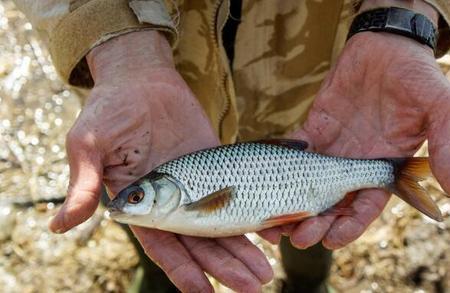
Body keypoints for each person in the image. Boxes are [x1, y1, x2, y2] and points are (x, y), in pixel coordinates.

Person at [11, 0, 450, 292]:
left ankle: (309, 282)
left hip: (329, 80)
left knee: (319, 230)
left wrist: (402, 13)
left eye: (141, 195)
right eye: (139, 195)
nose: (130, 200)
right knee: (124, 167)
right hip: (149, 94)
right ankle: (160, 279)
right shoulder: (148, 158)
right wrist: (120, 47)